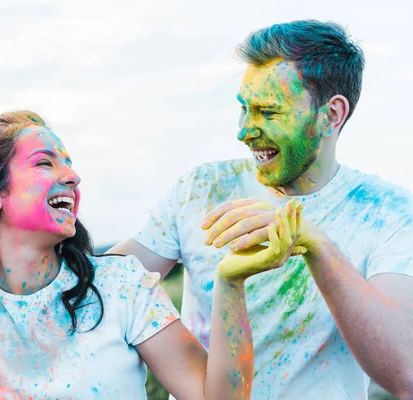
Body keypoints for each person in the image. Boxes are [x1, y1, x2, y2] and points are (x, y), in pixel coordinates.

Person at [0, 110, 303, 399]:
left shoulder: (120, 286)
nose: (72, 176)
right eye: (45, 163)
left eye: (69, 163)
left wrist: (231, 283)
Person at [109, 20, 413, 399]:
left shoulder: (387, 212)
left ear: (332, 115)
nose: (244, 131)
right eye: (244, 109)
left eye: (268, 112)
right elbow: (103, 288)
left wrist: (315, 243)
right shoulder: (200, 189)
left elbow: (404, 373)